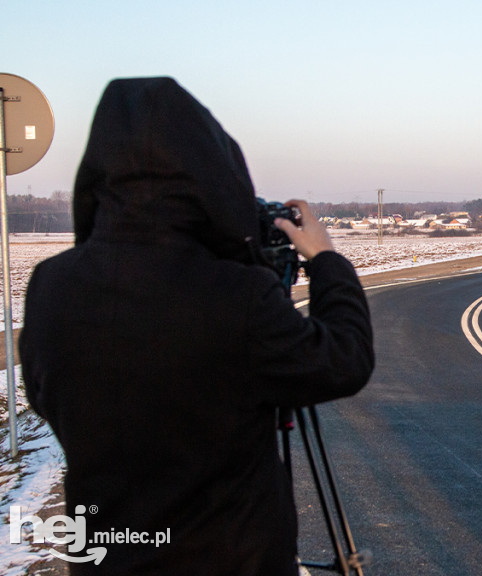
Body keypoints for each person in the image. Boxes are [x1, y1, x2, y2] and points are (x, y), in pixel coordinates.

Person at [19, 77, 374, 575]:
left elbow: (46, 396)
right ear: (210, 174)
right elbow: (344, 360)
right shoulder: (235, 296)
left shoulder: (50, 286)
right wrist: (327, 261)